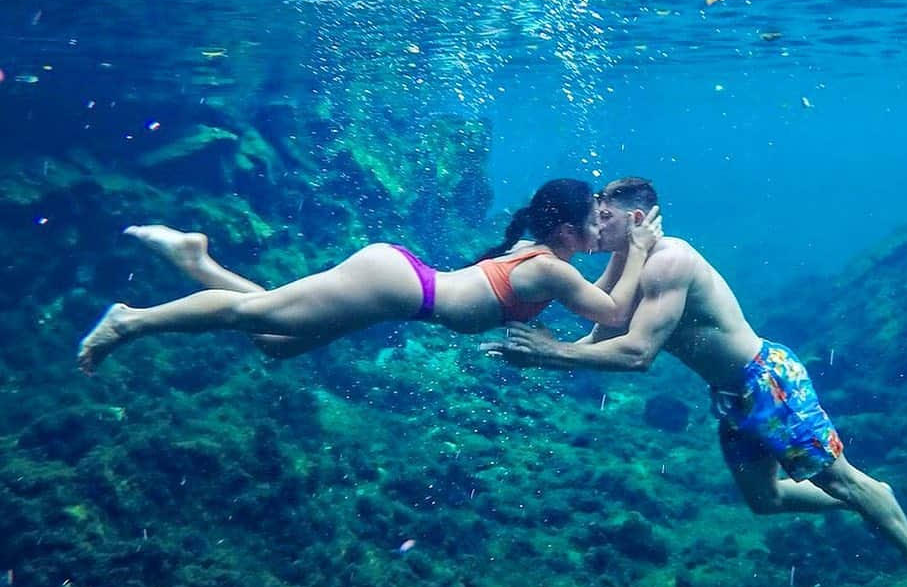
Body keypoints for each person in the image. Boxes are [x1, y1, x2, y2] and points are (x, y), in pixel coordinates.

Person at [484, 177, 907, 587]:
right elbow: (600, 336)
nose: (594, 225)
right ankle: (873, 498)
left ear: (637, 219)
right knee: (765, 500)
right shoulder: (628, 261)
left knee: (841, 481)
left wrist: (551, 352)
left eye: (604, 216)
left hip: (767, 383)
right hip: (731, 394)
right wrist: (538, 355)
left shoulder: (669, 260)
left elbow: (637, 355)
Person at [77, 179, 661, 374]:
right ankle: (129, 322)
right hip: (394, 285)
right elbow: (611, 314)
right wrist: (636, 247)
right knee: (251, 315)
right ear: (563, 233)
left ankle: (195, 261)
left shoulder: (547, 261)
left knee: (274, 343)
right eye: (592, 227)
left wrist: (626, 252)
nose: (598, 236)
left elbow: (605, 300)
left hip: (398, 290)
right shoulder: (551, 272)